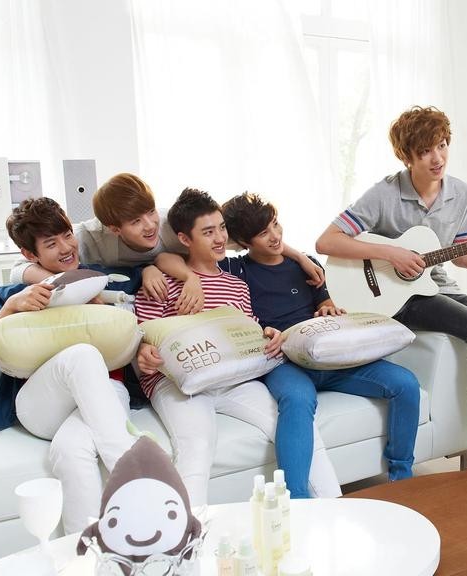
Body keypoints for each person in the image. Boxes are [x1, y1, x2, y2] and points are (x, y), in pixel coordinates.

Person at [315, 106, 467, 472]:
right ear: (407, 156)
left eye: (442, 145)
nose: (437, 158)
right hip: (398, 296)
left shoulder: (460, 193)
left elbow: (461, 253)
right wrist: (391, 253)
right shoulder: (384, 193)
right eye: (426, 150)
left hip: (439, 285)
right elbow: (327, 241)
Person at [135, 188, 341, 506]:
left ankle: (332, 510)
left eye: (222, 228)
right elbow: (142, 335)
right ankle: (188, 534)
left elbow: (249, 331)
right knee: (197, 445)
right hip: (179, 386)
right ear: (185, 239)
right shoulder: (161, 281)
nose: (219, 238)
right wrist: (142, 353)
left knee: (302, 429)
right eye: (208, 232)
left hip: (235, 380)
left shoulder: (236, 284)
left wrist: (268, 335)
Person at [221, 191, 420, 481]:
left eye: (276, 224)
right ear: (242, 241)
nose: (275, 236)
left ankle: (402, 477)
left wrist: (327, 308)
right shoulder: (236, 269)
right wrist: (293, 252)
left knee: (406, 384)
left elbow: (324, 301)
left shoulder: (307, 265)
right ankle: (297, 497)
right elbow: (189, 250)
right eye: (263, 233)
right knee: (298, 400)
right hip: (284, 363)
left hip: (331, 358)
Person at [0, 197, 141, 534]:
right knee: (83, 355)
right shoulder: (13, 294)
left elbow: (148, 272)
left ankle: (85, 553)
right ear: (29, 254)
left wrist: (145, 272)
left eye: (67, 235)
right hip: (42, 405)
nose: (66, 247)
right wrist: (12, 307)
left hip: (108, 393)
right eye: (51, 243)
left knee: (71, 451)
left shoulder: (102, 279)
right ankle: (139, 481)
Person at [14, 172, 326, 315]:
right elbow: (20, 267)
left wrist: (299, 257)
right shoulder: (87, 237)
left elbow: (249, 234)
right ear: (114, 229)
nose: (149, 225)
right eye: (136, 222)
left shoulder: (170, 224)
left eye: (149, 212)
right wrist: (62, 285)